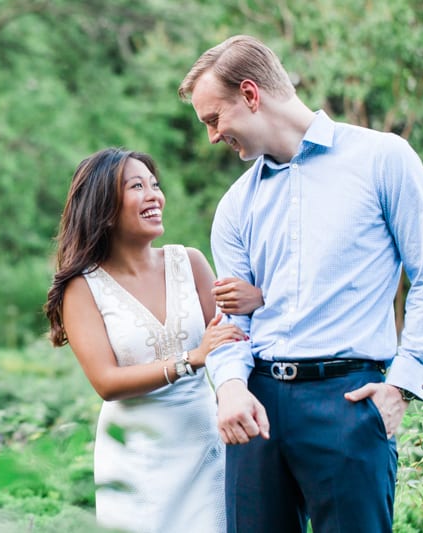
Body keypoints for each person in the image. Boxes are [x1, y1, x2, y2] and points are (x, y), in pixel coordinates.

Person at [177, 35, 423, 533]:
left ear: (250, 94)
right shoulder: (235, 207)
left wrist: (402, 386)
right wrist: (232, 388)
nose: (213, 137)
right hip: (255, 407)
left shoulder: (383, 159)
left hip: (348, 405)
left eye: (214, 119)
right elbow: (233, 320)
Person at [44, 147, 262, 532]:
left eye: (155, 185)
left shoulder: (189, 261)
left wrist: (257, 299)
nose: (154, 195)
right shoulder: (82, 288)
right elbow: (106, 383)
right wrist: (191, 358)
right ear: (104, 207)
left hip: (203, 442)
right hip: (135, 460)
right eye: (137, 186)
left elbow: (233, 337)